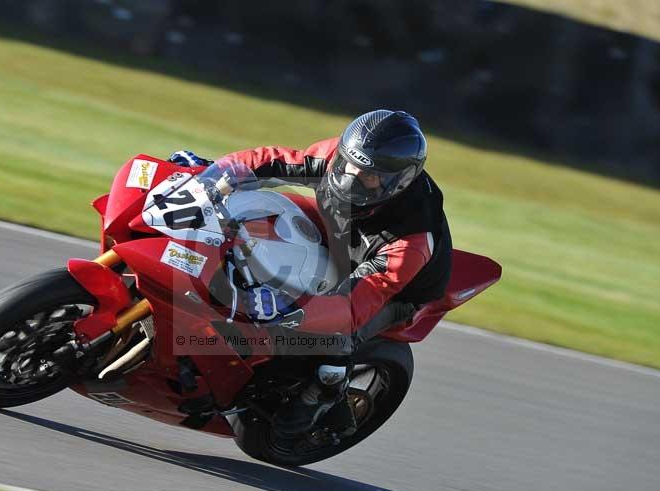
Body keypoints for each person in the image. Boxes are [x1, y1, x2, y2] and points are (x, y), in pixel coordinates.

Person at [169, 110, 452, 436]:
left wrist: (289, 312)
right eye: (349, 165)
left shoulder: (410, 241)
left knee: (334, 336)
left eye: (367, 176)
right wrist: (214, 175)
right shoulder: (336, 157)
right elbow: (270, 161)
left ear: (397, 182)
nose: (349, 178)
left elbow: (351, 307)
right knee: (253, 219)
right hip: (341, 233)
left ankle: (326, 393)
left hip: (396, 290)